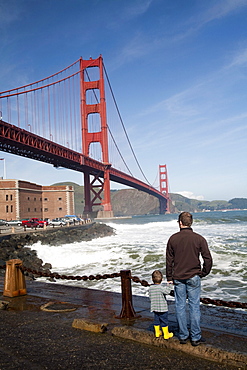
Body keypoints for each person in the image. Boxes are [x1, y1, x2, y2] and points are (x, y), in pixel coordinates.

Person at [166, 212, 213, 346]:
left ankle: (183, 335)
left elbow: (169, 261)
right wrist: (204, 273)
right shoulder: (199, 238)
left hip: (178, 277)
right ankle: (195, 337)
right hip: (194, 276)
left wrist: (169, 276)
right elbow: (208, 259)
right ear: (190, 222)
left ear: (180, 222)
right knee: (194, 307)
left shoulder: (173, 239)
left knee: (180, 306)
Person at [149, 270, 174, 339]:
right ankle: (166, 334)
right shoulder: (160, 287)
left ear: (152, 279)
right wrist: (170, 284)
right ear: (162, 279)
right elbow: (168, 291)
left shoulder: (151, 288)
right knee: (164, 321)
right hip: (162, 308)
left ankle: (157, 332)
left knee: (156, 320)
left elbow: (150, 296)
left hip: (154, 307)